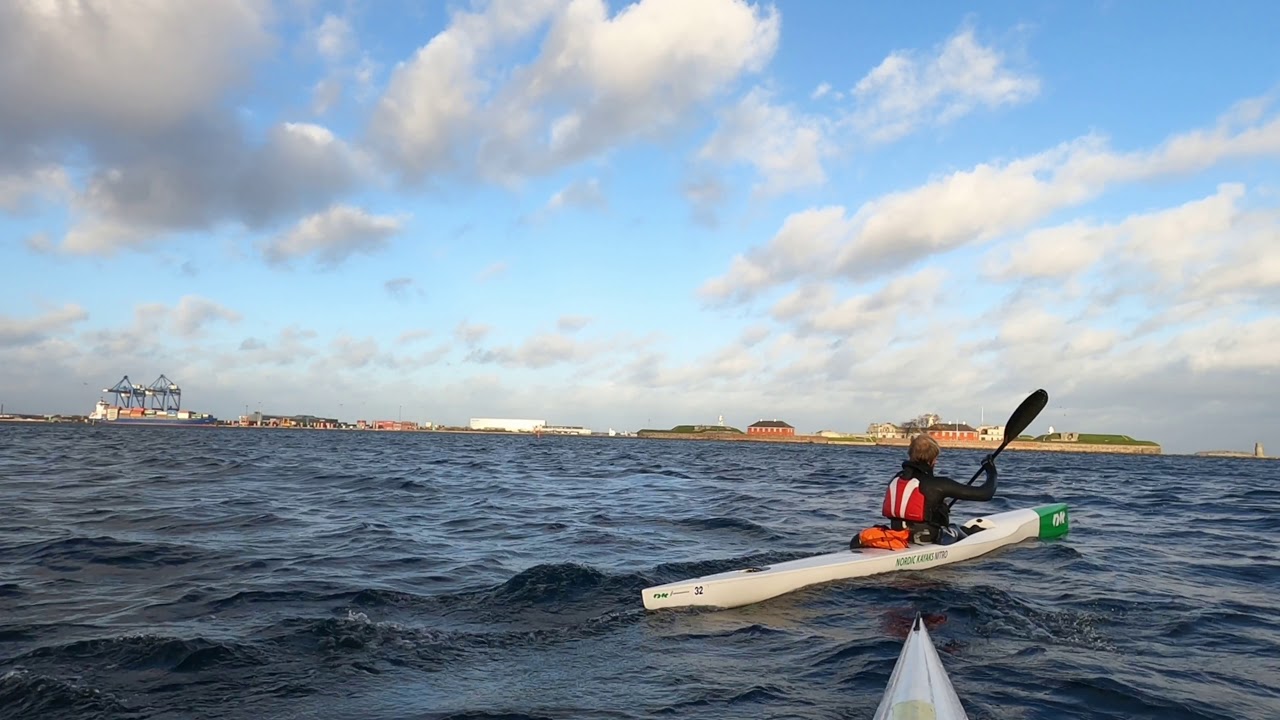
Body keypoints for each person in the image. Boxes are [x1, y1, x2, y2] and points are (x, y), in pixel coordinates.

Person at [881, 433, 997, 545]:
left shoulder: (896, 479)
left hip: (897, 533)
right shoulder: (937, 484)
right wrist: (990, 470)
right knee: (957, 529)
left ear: (910, 455)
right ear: (933, 459)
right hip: (926, 537)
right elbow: (986, 493)